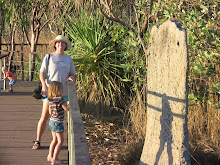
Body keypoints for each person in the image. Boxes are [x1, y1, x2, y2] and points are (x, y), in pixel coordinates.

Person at [32, 35, 76, 149]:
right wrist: (43, 86)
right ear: (55, 44)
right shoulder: (49, 57)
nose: (60, 45)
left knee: (60, 117)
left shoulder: (68, 59)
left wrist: (72, 78)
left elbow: (72, 74)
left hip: (64, 94)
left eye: (63, 43)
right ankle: (37, 140)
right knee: (44, 116)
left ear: (65, 45)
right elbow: (42, 72)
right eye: (58, 43)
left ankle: (56, 142)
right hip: (50, 93)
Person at [47, 81, 69, 164]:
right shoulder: (60, 99)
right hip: (58, 122)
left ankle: (50, 156)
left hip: (52, 121)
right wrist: (70, 105)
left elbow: (50, 112)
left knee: (54, 140)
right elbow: (66, 108)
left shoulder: (51, 100)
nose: (63, 90)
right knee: (60, 141)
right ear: (57, 90)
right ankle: (55, 158)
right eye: (61, 88)